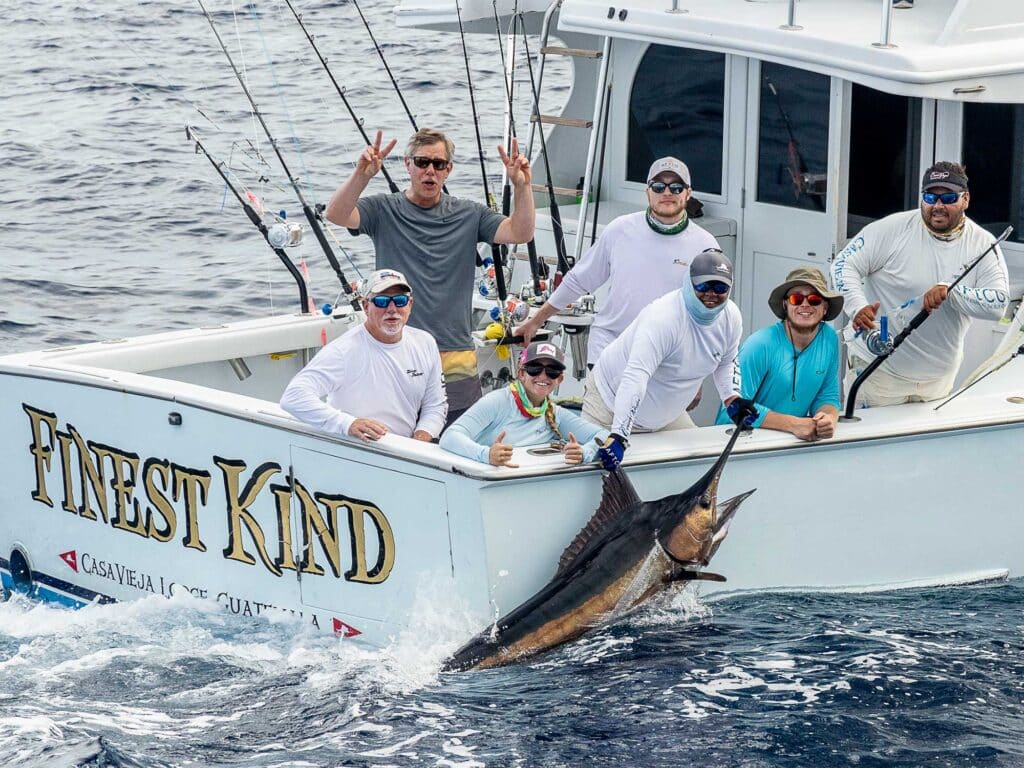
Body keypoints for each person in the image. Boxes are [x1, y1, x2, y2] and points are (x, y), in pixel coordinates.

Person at [324, 128, 535, 423]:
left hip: (454, 353)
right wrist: (362, 174)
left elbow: (520, 232)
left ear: (448, 169)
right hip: (394, 352)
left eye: (438, 164)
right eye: (422, 162)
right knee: (395, 433)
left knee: (458, 436)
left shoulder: (470, 214)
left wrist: (523, 186)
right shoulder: (382, 209)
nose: (430, 171)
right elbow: (335, 215)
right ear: (407, 164)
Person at [514, 157, 720, 366]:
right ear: (647, 192)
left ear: (688, 193)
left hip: (669, 360)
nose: (667, 193)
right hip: (609, 351)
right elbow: (578, 281)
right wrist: (535, 322)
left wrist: (695, 376)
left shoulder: (705, 245)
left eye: (676, 187)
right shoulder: (619, 229)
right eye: (658, 186)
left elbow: (710, 312)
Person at [832, 161, 1009, 406]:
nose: (938, 206)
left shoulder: (983, 243)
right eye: (930, 197)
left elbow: (998, 304)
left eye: (948, 197)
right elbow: (842, 264)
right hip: (879, 375)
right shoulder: (891, 229)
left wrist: (952, 291)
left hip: (938, 382)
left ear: (966, 199)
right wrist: (857, 307)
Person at [583, 249, 758, 470]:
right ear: (688, 282)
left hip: (667, 418)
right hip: (609, 407)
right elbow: (635, 377)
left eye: (721, 288)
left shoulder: (731, 317)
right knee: (595, 471)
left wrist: (732, 398)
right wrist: (619, 435)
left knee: (699, 469)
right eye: (703, 286)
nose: (712, 294)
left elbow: (726, 361)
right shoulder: (664, 318)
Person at [280, 269, 447, 442]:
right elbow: (293, 397)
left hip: (405, 451)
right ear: (366, 307)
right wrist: (348, 424)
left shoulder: (425, 342)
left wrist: (419, 440)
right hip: (355, 449)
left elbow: (435, 405)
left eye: (400, 300)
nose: (392, 309)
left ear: (410, 305)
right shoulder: (343, 351)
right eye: (381, 301)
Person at [714, 267, 842, 441]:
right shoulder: (760, 344)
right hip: (739, 441)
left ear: (825, 307)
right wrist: (792, 424)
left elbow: (828, 396)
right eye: (796, 298)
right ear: (785, 305)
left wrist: (828, 418)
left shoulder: (829, 338)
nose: (805, 305)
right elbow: (732, 409)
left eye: (814, 299)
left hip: (789, 442)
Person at [440, 342, 608, 467]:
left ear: (560, 379)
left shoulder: (557, 414)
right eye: (535, 368)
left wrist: (585, 453)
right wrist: (486, 454)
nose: (543, 376)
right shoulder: (497, 402)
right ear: (521, 373)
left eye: (552, 371)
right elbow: (450, 436)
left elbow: (605, 436)